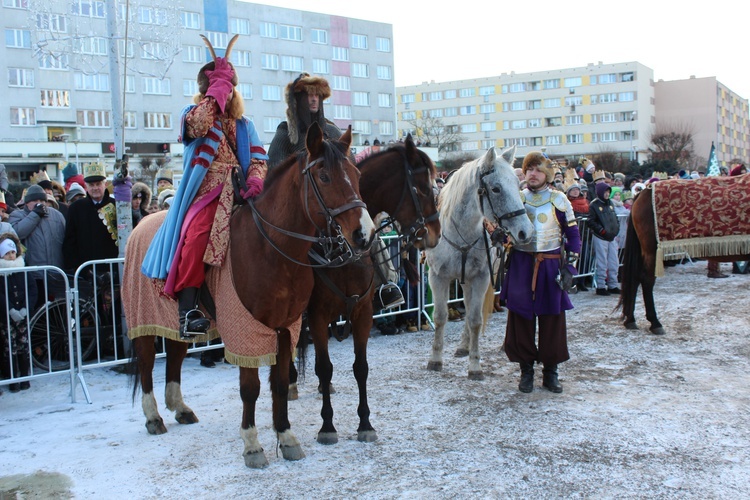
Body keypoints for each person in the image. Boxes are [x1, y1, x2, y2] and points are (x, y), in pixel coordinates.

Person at [141, 34, 268, 338]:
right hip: (206, 193)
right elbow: (197, 126)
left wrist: (254, 179)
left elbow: (260, 158)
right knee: (197, 236)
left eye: (229, 89)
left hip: (242, 190)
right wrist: (217, 90)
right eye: (221, 89)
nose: (227, 95)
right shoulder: (192, 114)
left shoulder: (244, 125)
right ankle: (188, 311)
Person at [501, 151, 581, 394]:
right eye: (528, 169)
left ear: (546, 174)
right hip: (521, 264)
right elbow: (507, 233)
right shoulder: (517, 199)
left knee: (552, 320)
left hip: (549, 266)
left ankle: (550, 372)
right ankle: (526, 371)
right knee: (521, 319)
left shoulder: (559, 200)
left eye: (537, 169)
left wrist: (570, 267)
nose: (531, 174)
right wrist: (501, 237)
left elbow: (573, 235)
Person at [267, 72, 342, 169]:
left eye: (317, 95)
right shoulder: (286, 133)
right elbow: (275, 172)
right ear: (299, 99)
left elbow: (349, 166)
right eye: (310, 95)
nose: (314, 99)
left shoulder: (332, 132)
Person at [9, 184, 66, 307]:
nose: (39, 203)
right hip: (34, 276)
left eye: (42, 200)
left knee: (59, 311)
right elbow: (18, 233)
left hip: (56, 273)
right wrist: (35, 215)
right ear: (26, 203)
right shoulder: (17, 215)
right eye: (35, 201)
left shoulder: (57, 215)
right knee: (38, 310)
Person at [63, 163, 119, 276]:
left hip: (113, 267)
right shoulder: (76, 208)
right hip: (86, 269)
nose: (95, 188)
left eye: (98, 184)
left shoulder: (117, 206)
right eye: (91, 184)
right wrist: (75, 267)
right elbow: (70, 240)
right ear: (86, 186)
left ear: (105, 184)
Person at [0, 232, 37, 392]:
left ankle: (24, 376)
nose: (11, 256)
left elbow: (32, 289)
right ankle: (12, 378)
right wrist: (9, 310)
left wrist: (26, 308)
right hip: (6, 316)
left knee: (23, 345)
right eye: (7, 253)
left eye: (13, 252)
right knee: (9, 347)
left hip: (22, 314)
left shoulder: (22, 266)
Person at [587, 182, 621, 295]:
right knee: (602, 262)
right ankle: (601, 285)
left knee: (614, 262)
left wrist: (616, 229)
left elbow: (614, 217)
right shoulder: (594, 205)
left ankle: (613, 284)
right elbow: (591, 221)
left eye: (608, 192)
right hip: (600, 236)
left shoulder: (610, 203)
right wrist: (602, 231)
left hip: (611, 237)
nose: (607, 194)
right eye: (605, 192)